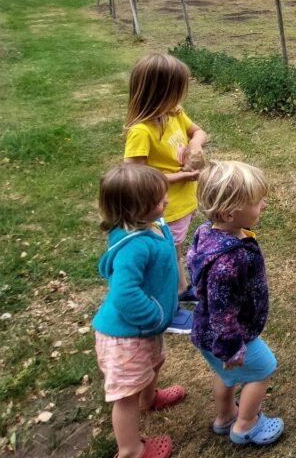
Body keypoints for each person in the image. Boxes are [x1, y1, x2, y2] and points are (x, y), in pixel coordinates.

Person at [93, 164, 188, 458]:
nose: (167, 202)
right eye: (160, 200)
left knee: (156, 362)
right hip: (126, 336)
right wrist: (155, 316)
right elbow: (125, 293)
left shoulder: (154, 225)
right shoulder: (133, 247)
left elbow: (169, 258)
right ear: (138, 209)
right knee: (125, 396)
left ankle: (150, 398)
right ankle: (131, 450)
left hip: (144, 332)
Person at [187, 161, 284, 446]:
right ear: (230, 212)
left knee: (224, 375)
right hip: (227, 336)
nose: (263, 205)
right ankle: (246, 425)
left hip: (206, 332)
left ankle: (225, 415)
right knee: (264, 368)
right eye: (256, 202)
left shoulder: (209, 231)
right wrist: (230, 349)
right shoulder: (228, 261)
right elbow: (221, 310)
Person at [123, 53, 208, 333]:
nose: (179, 98)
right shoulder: (141, 131)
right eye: (175, 91)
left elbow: (199, 132)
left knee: (175, 249)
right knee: (163, 258)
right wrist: (180, 175)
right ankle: (167, 310)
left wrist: (194, 147)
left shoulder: (174, 113)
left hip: (181, 200)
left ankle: (182, 288)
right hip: (161, 205)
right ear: (158, 93)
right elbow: (137, 175)